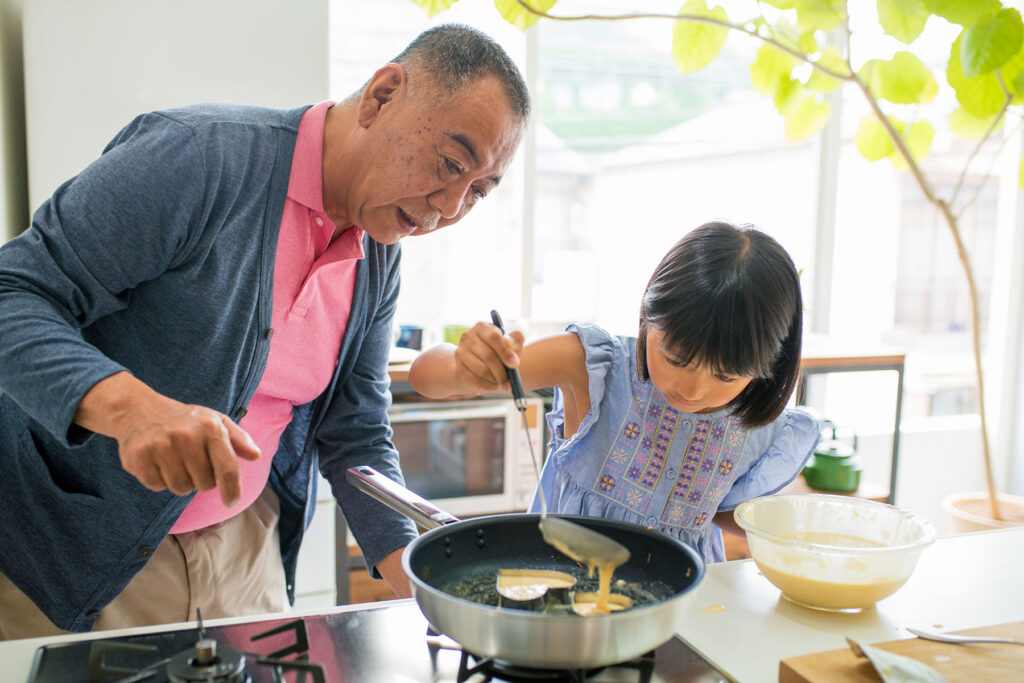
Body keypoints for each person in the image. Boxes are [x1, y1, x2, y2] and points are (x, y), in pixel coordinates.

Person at [0, 24, 530, 638]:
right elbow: (14, 292)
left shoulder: (379, 249)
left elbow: (354, 430)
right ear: (384, 94)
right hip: (68, 549)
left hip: (244, 552)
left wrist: (419, 578)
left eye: (478, 192)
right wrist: (130, 409)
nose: (448, 207)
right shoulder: (199, 157)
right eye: (449, 164)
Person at [409, 221, 820, 564]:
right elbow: (424, 377)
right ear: (648, 314)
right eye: (676, 358)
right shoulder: (591, 366)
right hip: (564, 586)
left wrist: (784, 532)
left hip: (687, 602)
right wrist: (465, 367)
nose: (695, 390)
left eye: (727, 375)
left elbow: (721, 509)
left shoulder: (755, 420)